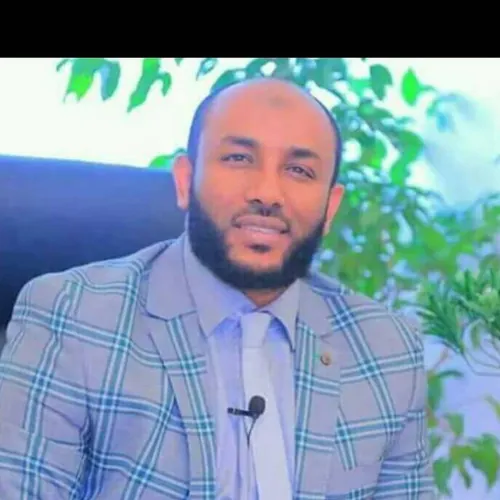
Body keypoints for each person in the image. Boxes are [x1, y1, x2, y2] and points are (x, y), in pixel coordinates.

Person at [0, 76, 435, 499]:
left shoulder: (387, 348)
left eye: (299, 170)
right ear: (185, 180)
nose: (268, 193)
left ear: (330, 207)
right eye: (239, 158)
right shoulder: (73, 316)